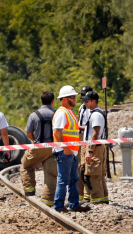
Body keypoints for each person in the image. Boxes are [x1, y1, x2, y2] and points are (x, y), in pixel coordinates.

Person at [52, 85, 90, 213]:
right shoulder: (62, 113)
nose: (75, 99)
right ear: (63, 99)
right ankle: (59, 206)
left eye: (74, 96)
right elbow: (57, 132)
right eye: (72, 97)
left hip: (71, 152)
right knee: (63, 180)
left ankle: (74, 204)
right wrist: (65, 148)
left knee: (74, 179)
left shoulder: (69, 112)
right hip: (65, 152)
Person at [19, 91, 57, 207]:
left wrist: (36, 138)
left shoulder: (34, 115)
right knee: (51, 174)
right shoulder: (57, 114)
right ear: (52, 101)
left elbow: (29, 134)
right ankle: (48, 200)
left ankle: (30, 193)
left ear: (41, 101)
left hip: (38, 146)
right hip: (53, 148)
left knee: (26, 165)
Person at [82, 91, 109, 204]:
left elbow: (95, 133)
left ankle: (97, 200)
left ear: (94, 101)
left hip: (95, 147)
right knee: (98, 173)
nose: (85, 102)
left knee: (93, 173)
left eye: (87, 101)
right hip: (96, 146)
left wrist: (90, 150)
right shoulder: (94, 113)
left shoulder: (96, 115)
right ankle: (102, 198)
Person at [78, 85, 93, 201]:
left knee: (85, 165)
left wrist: (79, 127)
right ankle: (80, 194)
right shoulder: (81, 108)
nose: (82, 97)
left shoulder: (90, 110)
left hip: (85, 136)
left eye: (84, 95)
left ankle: (88, 193)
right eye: (82, 95)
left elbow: (90, 127)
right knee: (79, 166)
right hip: (79, 137)